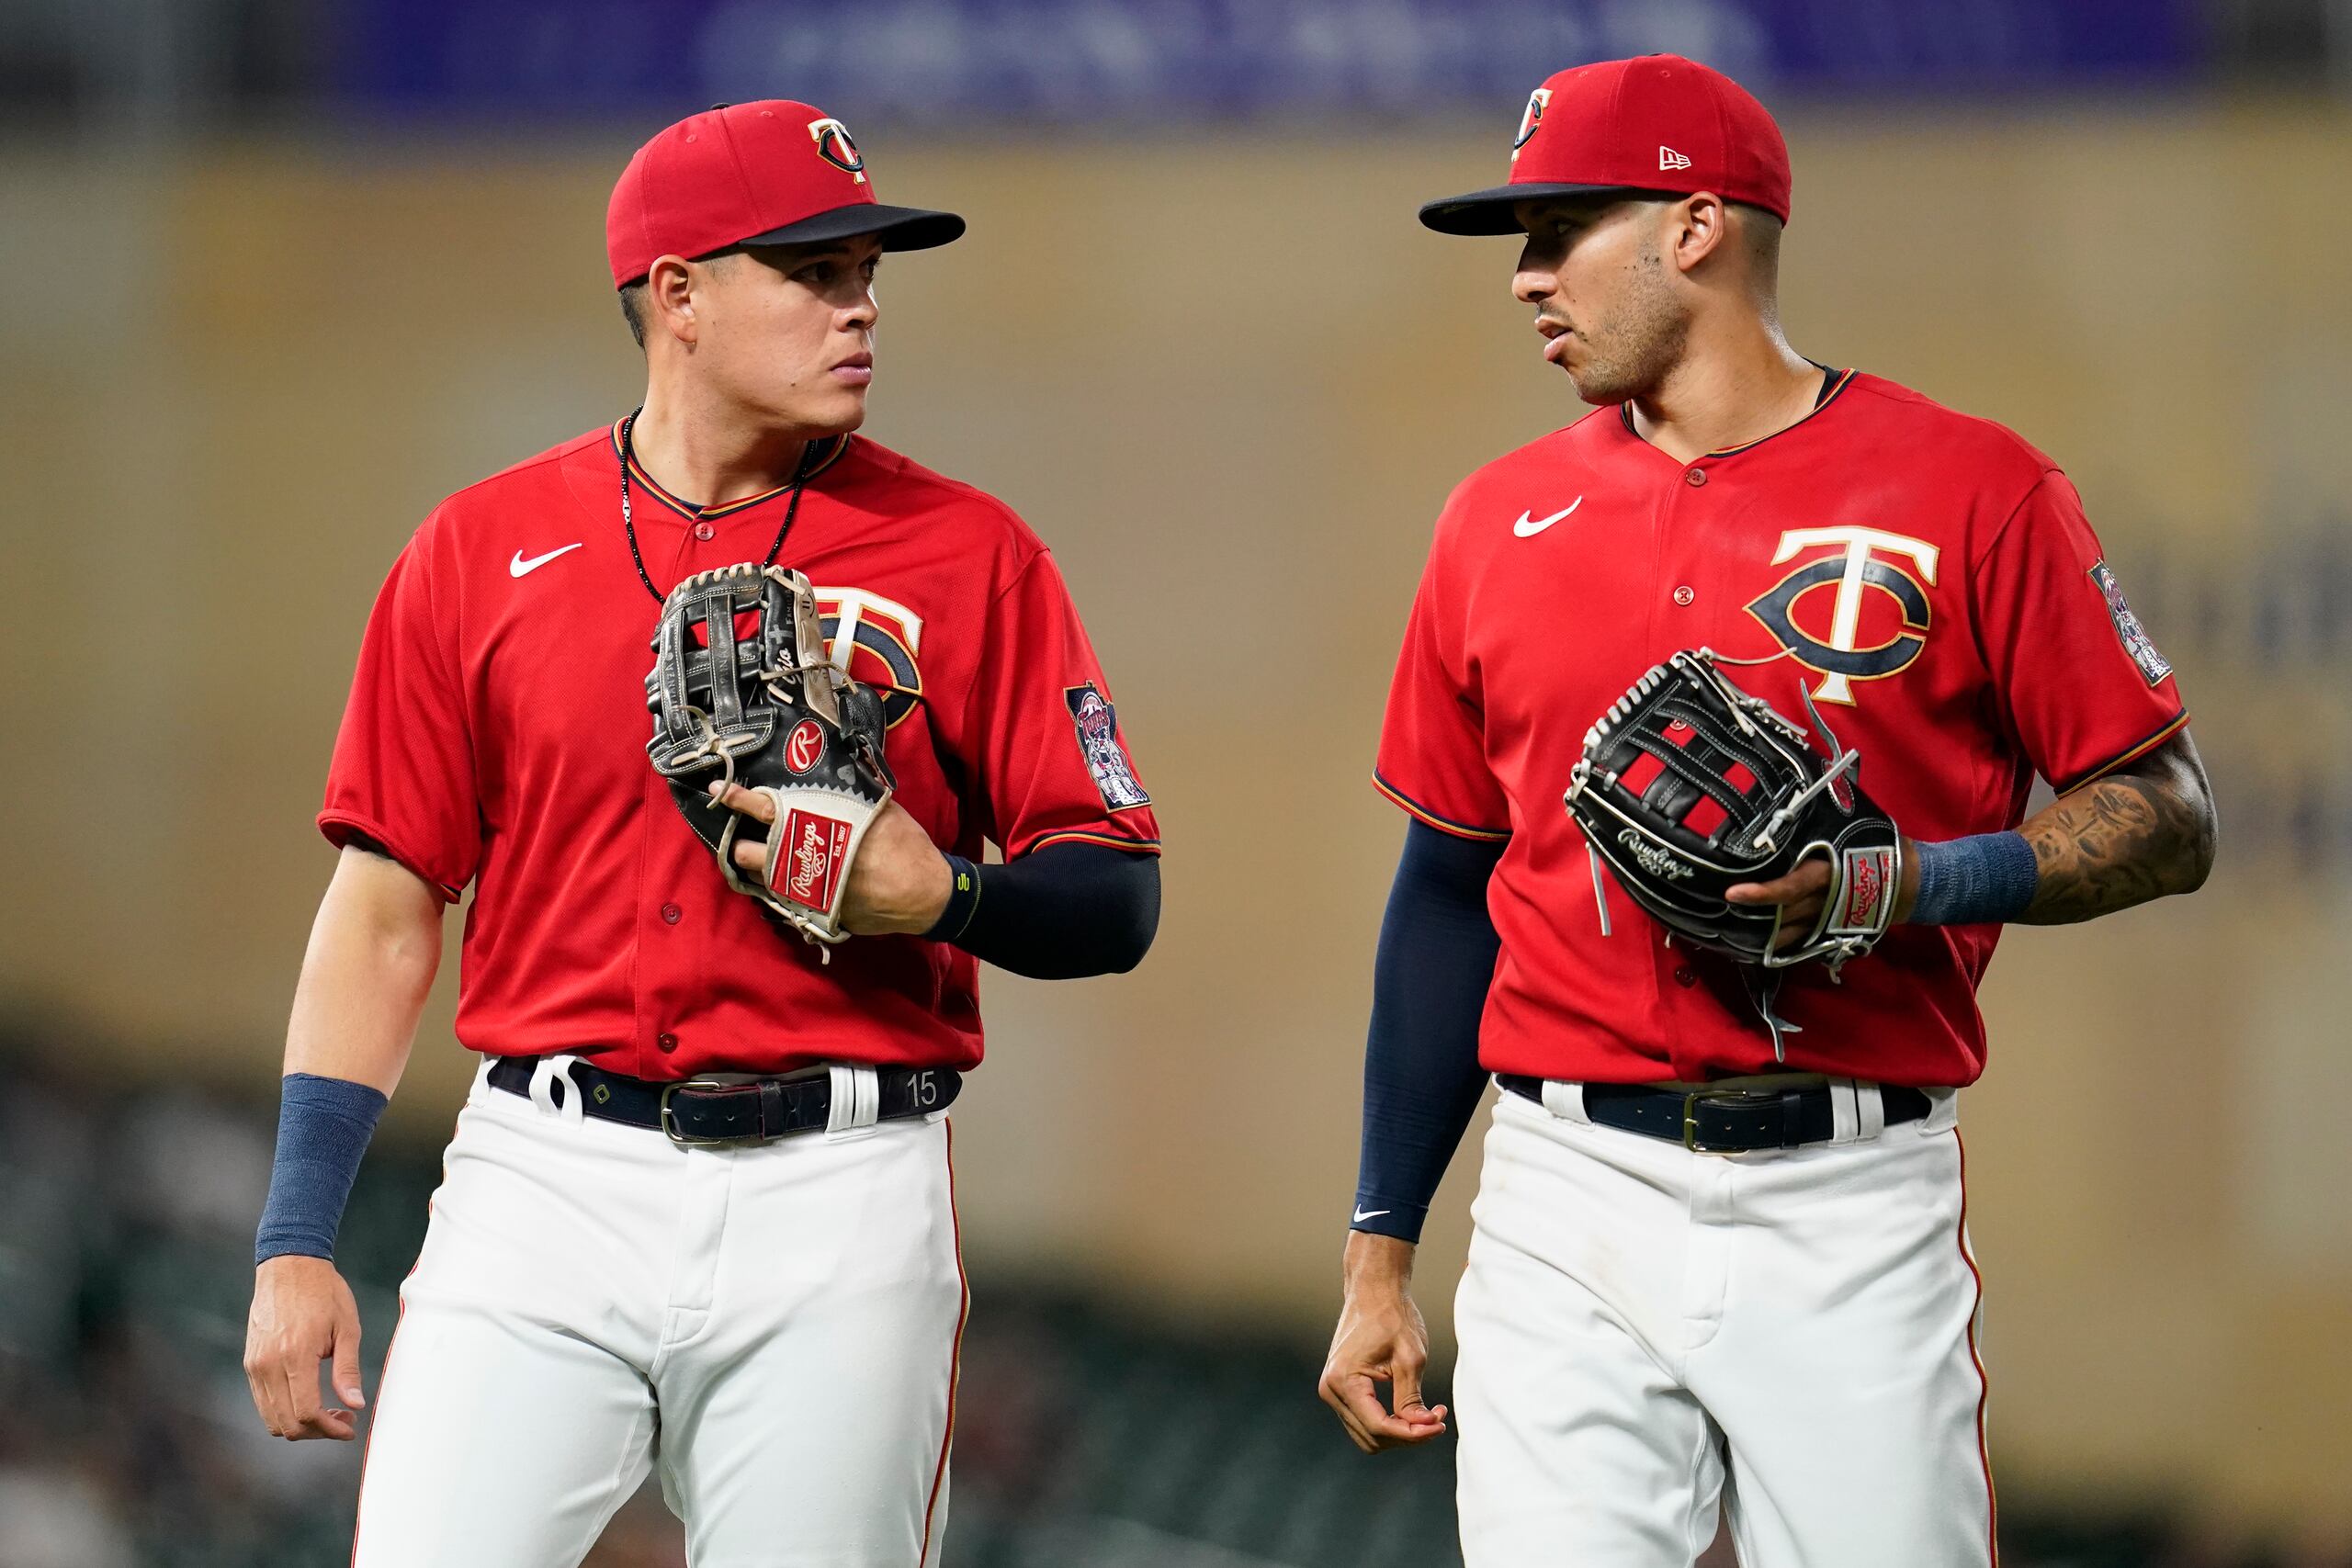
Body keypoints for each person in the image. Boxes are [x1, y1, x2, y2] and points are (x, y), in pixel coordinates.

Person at [1317, 54, 2215, 1567]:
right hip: (1563, 1192)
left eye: (1560, 230)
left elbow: (2170, 813)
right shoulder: (1491, 521)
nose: (1527, 277)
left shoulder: (1975, 491)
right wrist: (1379, 1248)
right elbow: (1446, 890)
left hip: (1850, 1193)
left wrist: (1911, 882)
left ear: (1694, 224)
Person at [242, 100, 1161, 1566]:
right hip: (546, 1181)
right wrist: (298, 1235)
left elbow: (1118, 900)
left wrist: (950, 897)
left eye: (867, 269)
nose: (860, 305)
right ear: (677, 295)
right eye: (812, 270)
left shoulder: (968, 554)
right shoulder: (479, 551)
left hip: (842, 1194)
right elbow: (384, 909)